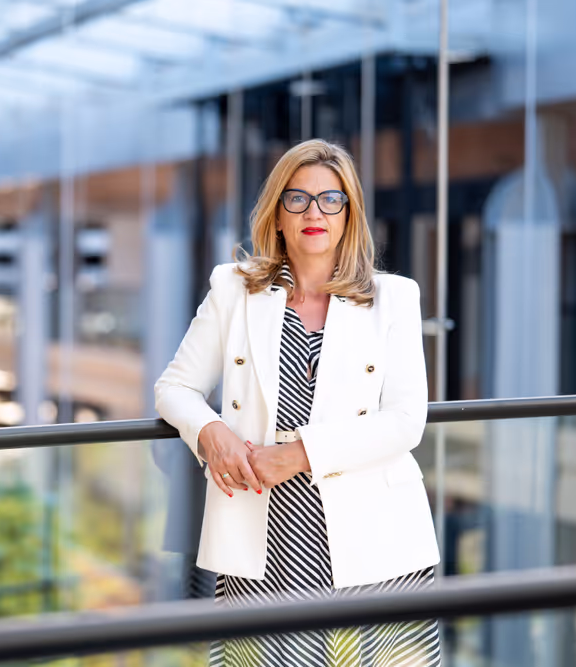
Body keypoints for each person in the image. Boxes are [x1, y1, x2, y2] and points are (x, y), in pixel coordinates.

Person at [154, 139, 441, 666]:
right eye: (298, 199)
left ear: (348, 215)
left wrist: (299, 454)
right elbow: (174, 388)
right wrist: (211, 433)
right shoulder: (232, 289)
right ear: (277, 215)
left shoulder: (394, 297)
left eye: (332, 200)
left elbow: (405, 422)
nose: (315, 212)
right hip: (260, 531)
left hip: (373, 532)